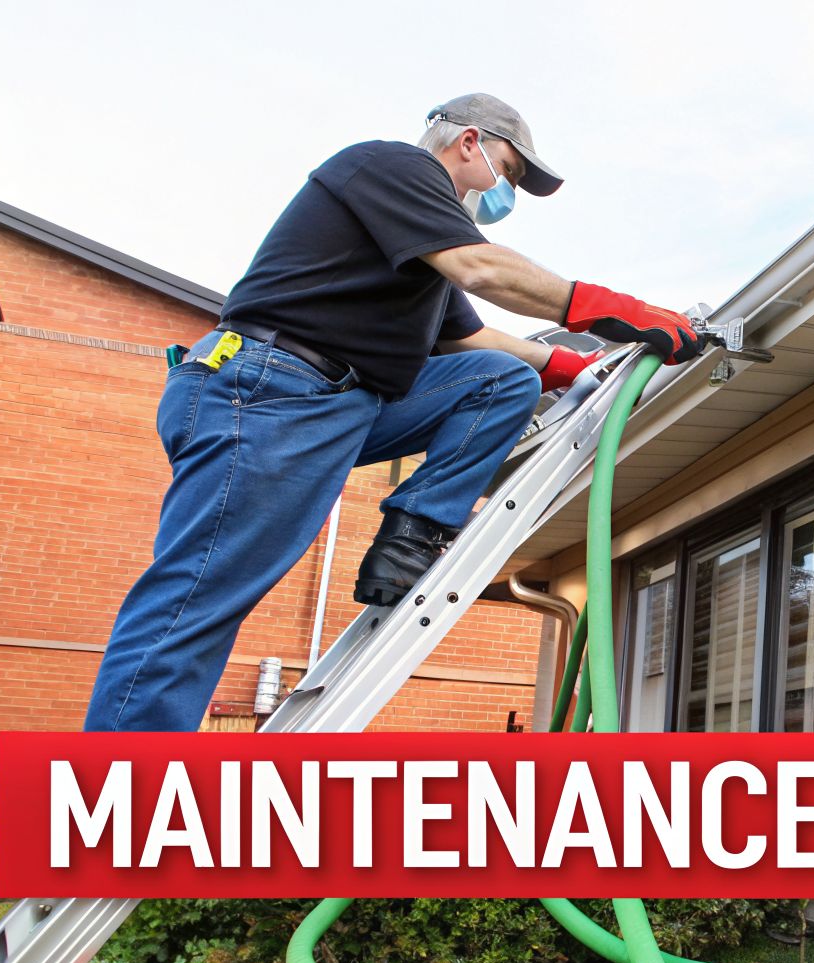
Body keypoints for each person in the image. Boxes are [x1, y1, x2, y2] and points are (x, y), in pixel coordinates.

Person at [84, 93, 701, 732]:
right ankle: (124, 793)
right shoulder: (393, 169)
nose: (504, 193)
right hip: (266, 395)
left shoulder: (422, 247)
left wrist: (576, 369)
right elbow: (482, 266)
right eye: (509, 172)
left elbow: (475, 343)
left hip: (333, 404)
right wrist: (611, 307)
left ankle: (412, 534)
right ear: (468, 143)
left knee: (499, 381)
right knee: (197, 602)